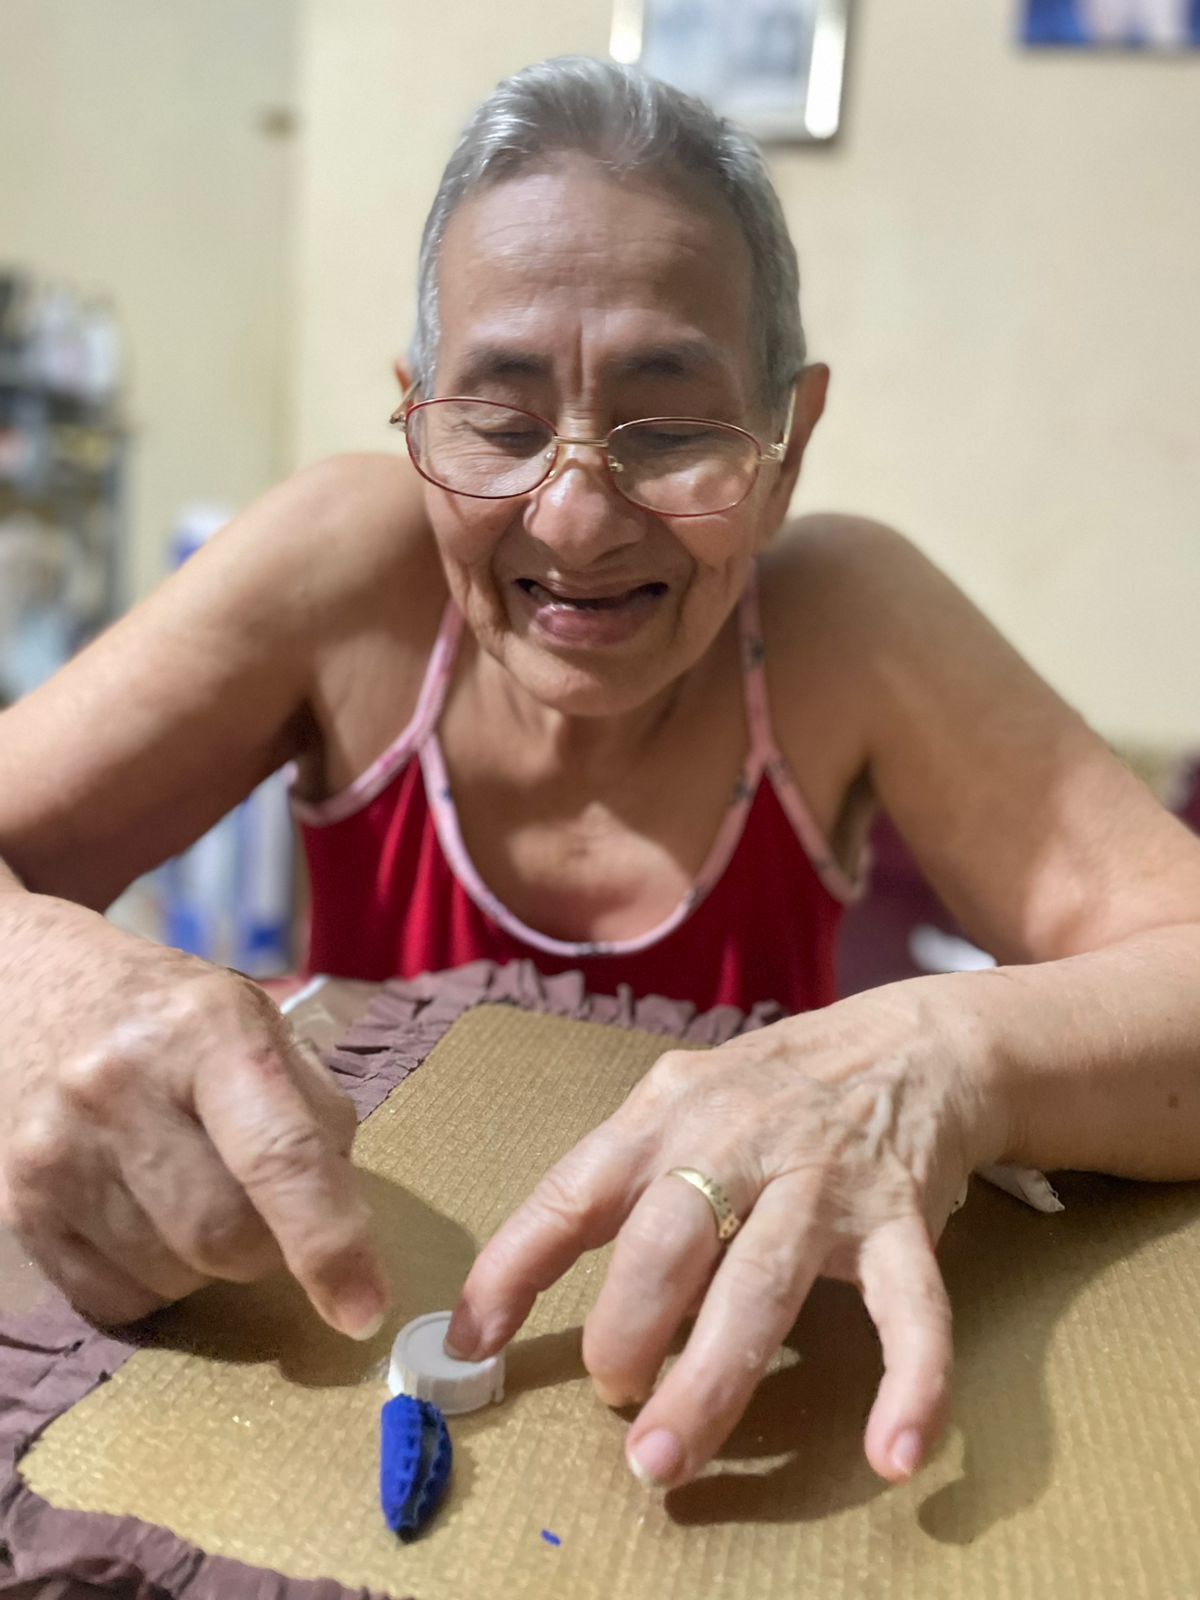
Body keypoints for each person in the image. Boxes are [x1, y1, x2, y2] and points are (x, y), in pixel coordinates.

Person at [1, 56, 1199, 1497]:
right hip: (346, 1365)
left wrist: (942, 1054)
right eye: (501, 425)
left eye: (674, 428)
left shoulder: (846, 625)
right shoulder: (348, 569)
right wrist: (47, 984)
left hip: (721, 1399)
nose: (573, 521)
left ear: (786, 450)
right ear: (417, 418)